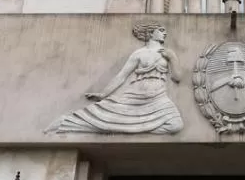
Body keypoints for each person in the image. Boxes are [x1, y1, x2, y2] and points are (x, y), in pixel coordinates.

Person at [48, 24, 184, 135]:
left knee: (176, 125)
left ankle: (132, 128)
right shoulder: (139, 54)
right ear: (150, 33)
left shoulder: (168, 53)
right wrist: (103, 94)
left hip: (158, 96)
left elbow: (177, 78)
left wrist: (172, 58)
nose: (164, 33)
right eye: (160, 30)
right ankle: (66, 122)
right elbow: (122, 76)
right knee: (104, 115)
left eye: (164, 31)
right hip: (136, 96)